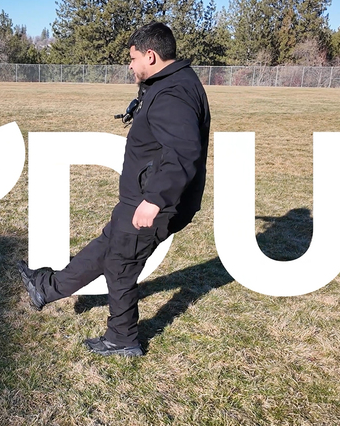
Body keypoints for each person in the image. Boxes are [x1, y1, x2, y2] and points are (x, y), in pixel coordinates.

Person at [17, 22, 211, 357]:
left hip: (152, 202)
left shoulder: (173, 93)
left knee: (120, 267)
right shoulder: (170, 82)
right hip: (140, 197)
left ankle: (122, 338)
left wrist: (154, 201)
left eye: (133, 58)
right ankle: (44, 289)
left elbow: (183, 151)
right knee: (104, 250)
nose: (130, 65)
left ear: (150, 56)